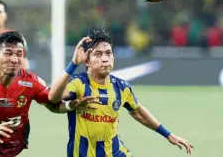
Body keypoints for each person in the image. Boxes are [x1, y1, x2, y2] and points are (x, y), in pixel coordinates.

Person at [48, 28, 194, 157]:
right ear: (87, 61)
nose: (105, 59)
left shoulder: (121, 87)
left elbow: (138, 111)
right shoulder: (78, 83)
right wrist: (73, 63)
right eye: (98, 54)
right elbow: (53, 97)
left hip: (114, 152)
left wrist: (168, 134)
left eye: (108, 53)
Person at [0, 31, 99, 157]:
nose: (15, 59)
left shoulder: (30, 82)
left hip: (8, 152)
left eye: (19, 54)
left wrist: (70, 105)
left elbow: (53, 104)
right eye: (8, 53)